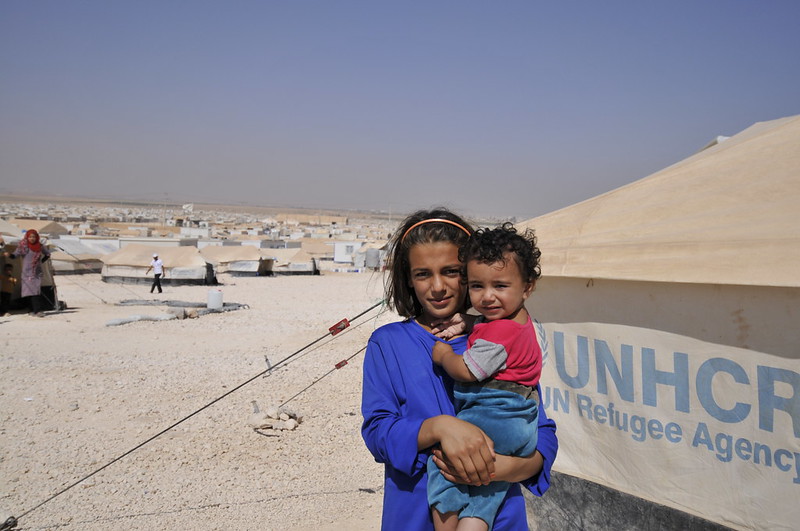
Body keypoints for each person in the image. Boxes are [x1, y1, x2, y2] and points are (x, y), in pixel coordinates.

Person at [361, 208, 557, 531]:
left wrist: (504, 468)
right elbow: (378, 432)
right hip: (415, 515)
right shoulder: (388, 344)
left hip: (500, 515)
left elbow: (540, 427)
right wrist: (439, 428)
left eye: (451, 271)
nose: (437, 287)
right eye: (423, 274)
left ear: (467, 273)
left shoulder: (498, 338)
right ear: (408, 278)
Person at [427, 223, 543, 531]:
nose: (487, 297)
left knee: (445, 469)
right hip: (521, 427)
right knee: (487, 492)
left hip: (493, 417)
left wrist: (444, 355)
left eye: (500, 286)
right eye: (477, 287)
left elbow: (468, 369)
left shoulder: (499, 334)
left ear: (527, 286)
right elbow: (490, 322)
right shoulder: (524, 323)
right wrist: (469, 321)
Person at [3, 229, 51, 316]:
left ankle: (38, 310)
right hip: (26, 273)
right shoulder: (23, 246)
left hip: (36, 273)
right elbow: (15, 256)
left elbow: (47, 254)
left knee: (35, 291)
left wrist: (41, 261)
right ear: (27, 237)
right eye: (30, 237)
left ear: (36, 237)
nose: (32, 238)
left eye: (34, 237)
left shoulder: (40, 246)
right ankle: (31, 310)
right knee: (28, 292)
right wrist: (9, 255)